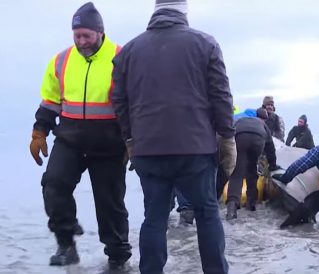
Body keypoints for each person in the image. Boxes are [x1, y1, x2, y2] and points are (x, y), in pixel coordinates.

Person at [111, 0, 236, 273]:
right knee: (207, 213)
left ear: (156, 10)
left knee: (154, 218)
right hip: (195, 149)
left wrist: (130, 139)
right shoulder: (206, 44)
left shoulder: (128, 52)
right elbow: (221, 96)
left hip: (148, 150)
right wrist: (227, 137)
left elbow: (119, 100)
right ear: (184, 11)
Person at [28, 2, 131, 268]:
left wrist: (135, 140)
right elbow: (50, 101)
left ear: (100, 32)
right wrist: (39, 131)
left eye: (87, 35)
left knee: (110, 203)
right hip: (70, 139)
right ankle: (66, 243)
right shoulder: (61, 60)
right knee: (53, 185)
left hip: (109, 143)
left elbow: (133, 104)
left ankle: (117, 257)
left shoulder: (121, 57)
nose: (81, 41)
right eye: (77, 36)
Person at [226, 108, 279, 219]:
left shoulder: (240, 120)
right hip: (257, 139)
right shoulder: (262, 125)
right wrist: (273, 165)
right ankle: (251, 204)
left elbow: (228, 136)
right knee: (251, 170)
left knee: (237, 173)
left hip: (240, 137)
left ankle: (232, 208)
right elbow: (270, 148)